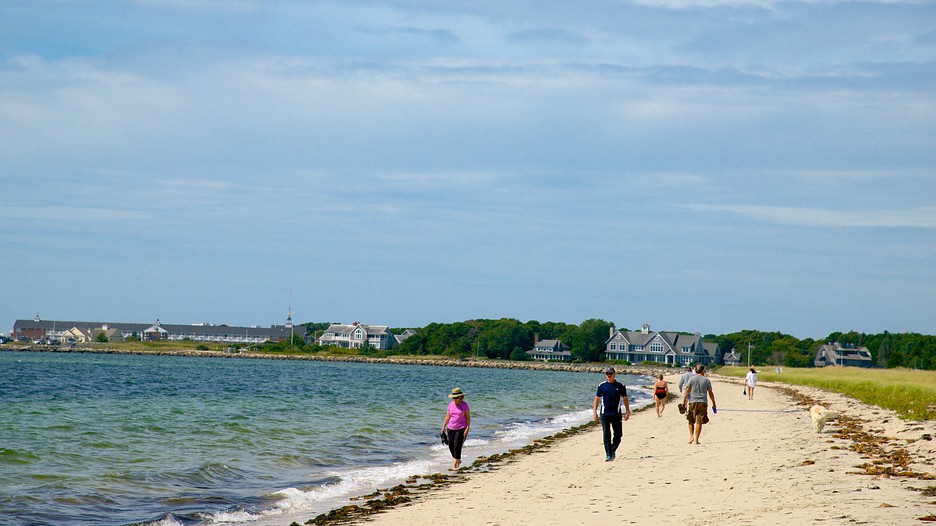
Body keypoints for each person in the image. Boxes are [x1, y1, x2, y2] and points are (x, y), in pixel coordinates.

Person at [593, 366, 630, 461]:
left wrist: (627, 411)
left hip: (616, 413)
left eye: (610, 373)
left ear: (614, 374)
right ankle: (608, 454)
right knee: (606, 434)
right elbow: (597, 398)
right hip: (604, 414)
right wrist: (594, 412)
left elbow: (625, 398)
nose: (609, 375)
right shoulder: (602, 385)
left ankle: (613, 450)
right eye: (607, 374)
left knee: (618, 435)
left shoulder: (620, 386)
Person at [682, 364, 716, 445]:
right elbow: (710, 393)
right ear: (702, 370)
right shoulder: (706, 380)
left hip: (692, 401)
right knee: (699, 421)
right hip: (702, 402)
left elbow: (687, 391)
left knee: (691, 420)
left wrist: (684, 401)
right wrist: (714, 403)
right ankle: (696, 440)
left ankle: (691, 436)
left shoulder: (691, 379)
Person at [442, 387, 470, 470]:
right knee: (451, 446)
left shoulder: (465, 405)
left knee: (457, 445)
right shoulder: (451, 404)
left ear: (460, 397)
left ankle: (455, 463)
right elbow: (447, 416)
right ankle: (458, 459)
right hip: (451, 428)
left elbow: (468, 418)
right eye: (453, 398)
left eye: (456, 398)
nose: (454, 399)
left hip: (461, 428)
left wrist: (467, 428)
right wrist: (443, 426)